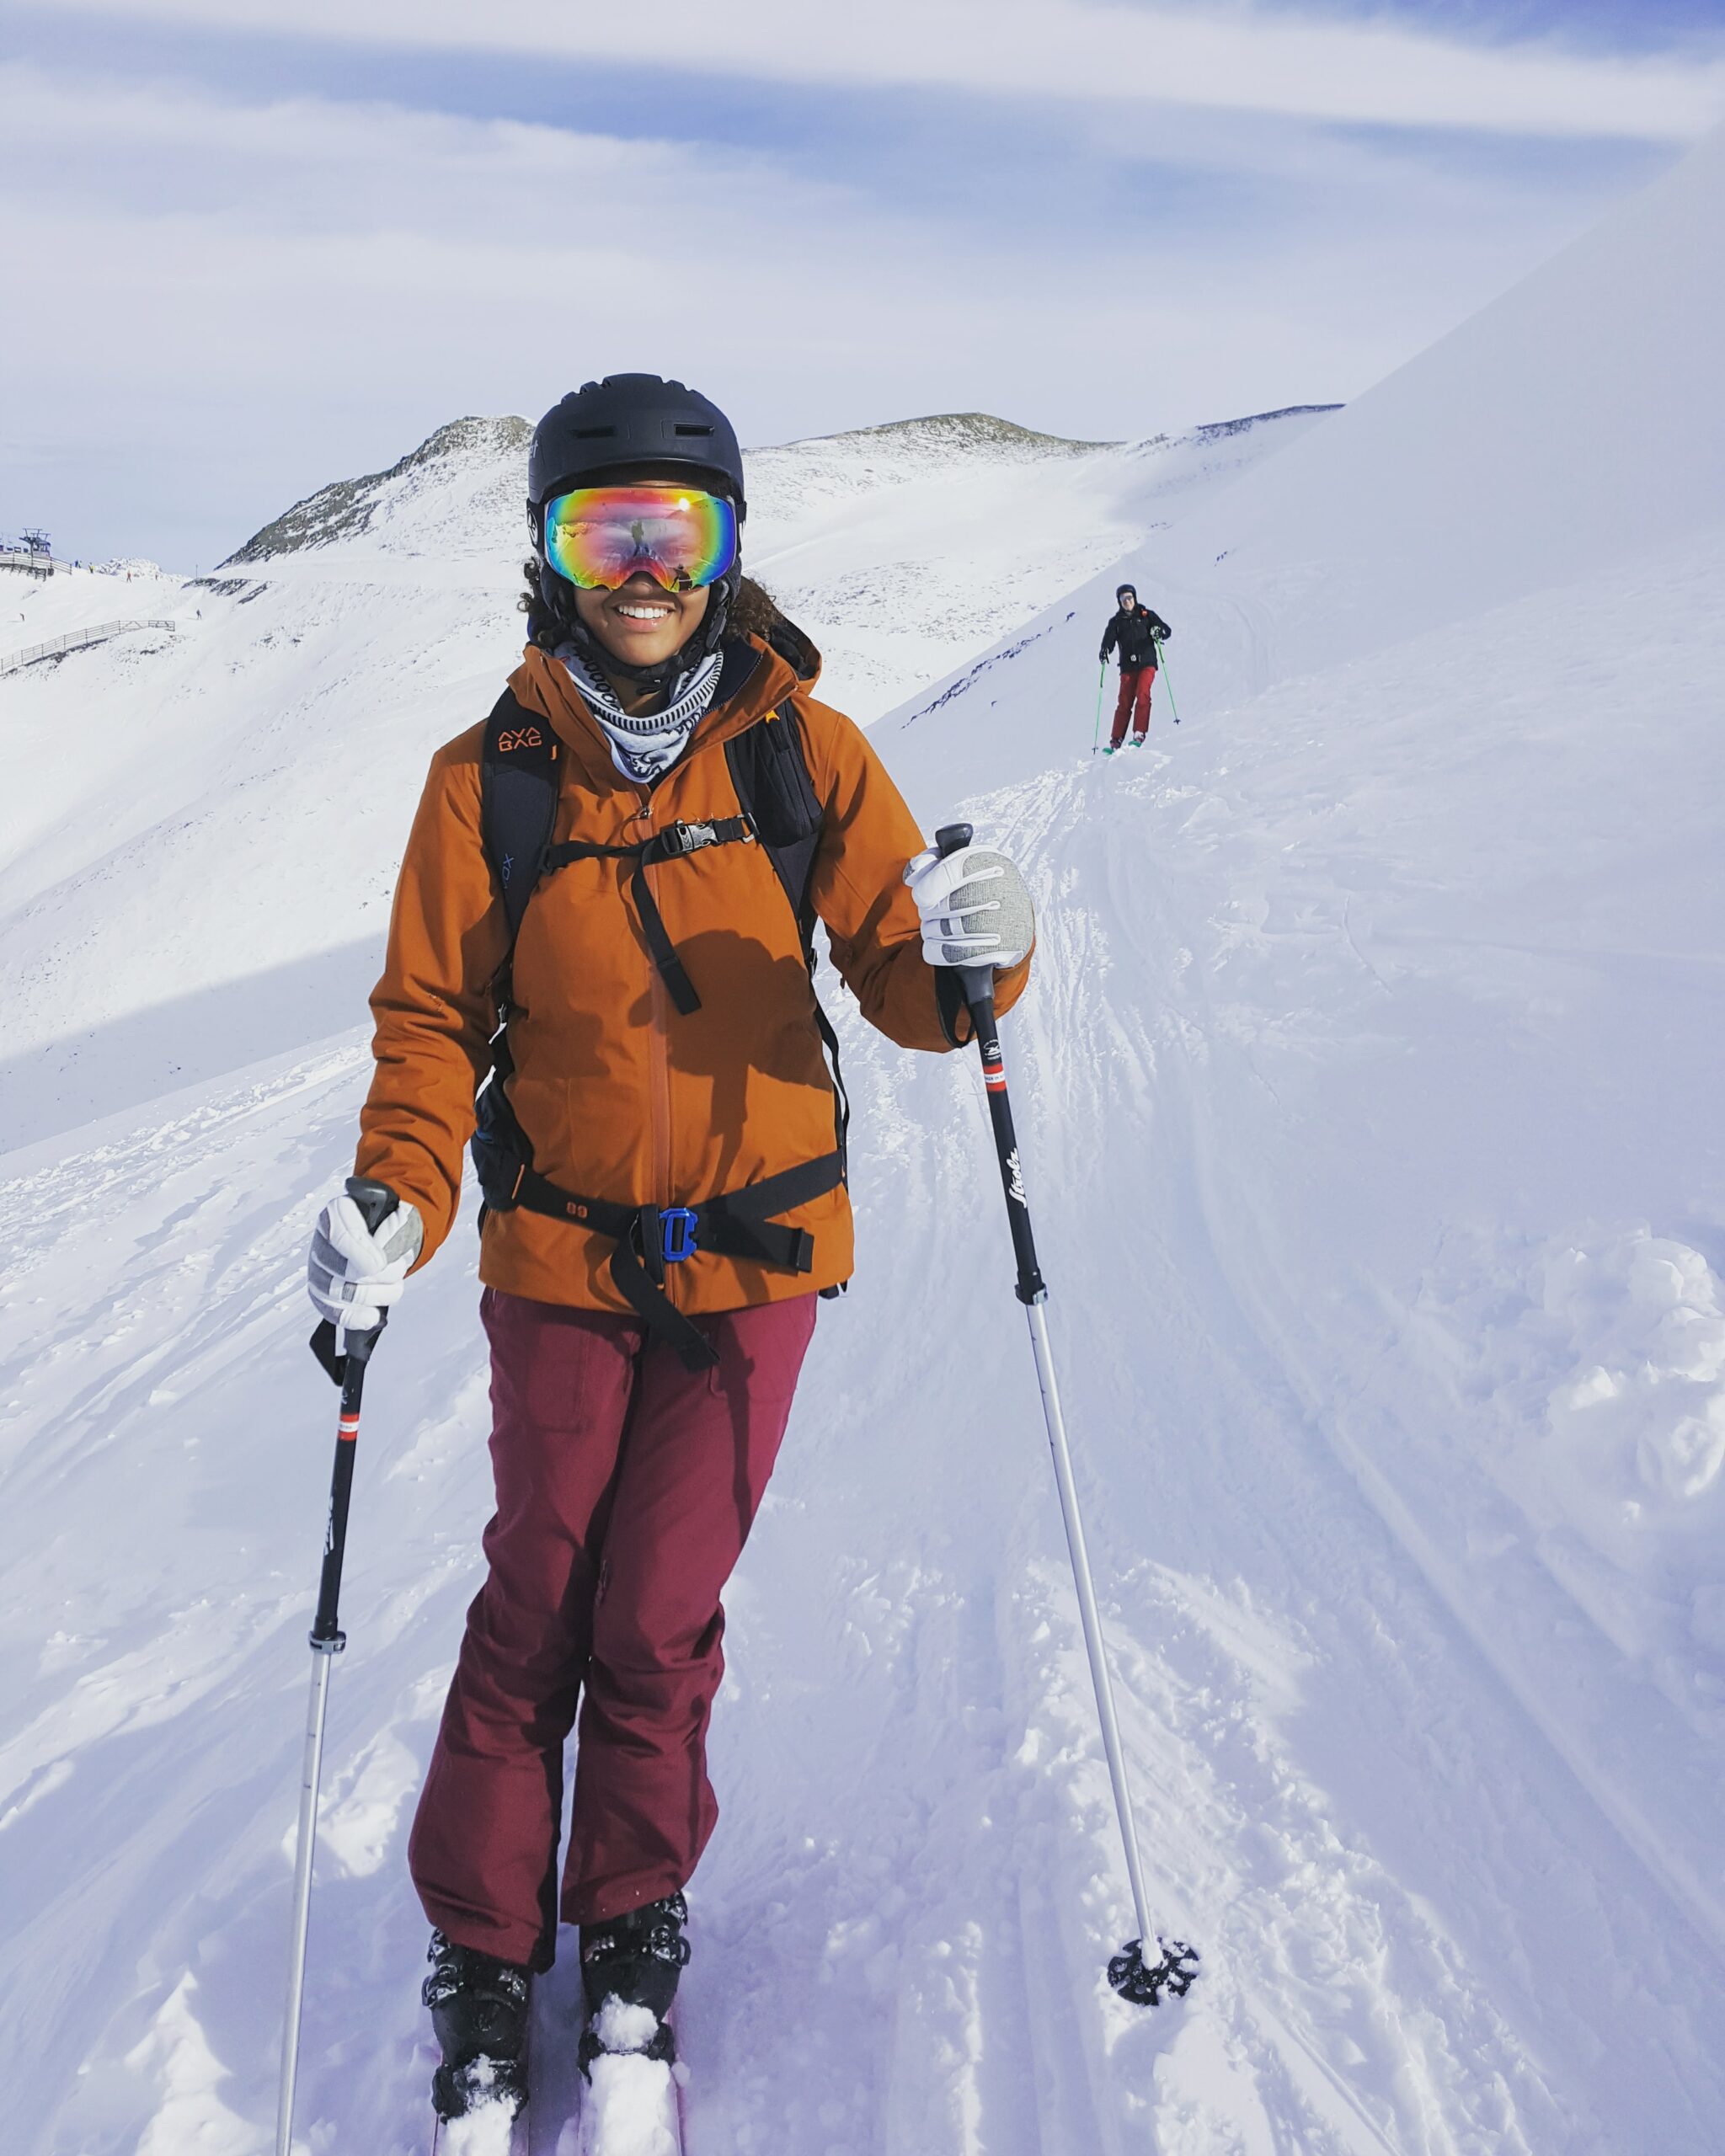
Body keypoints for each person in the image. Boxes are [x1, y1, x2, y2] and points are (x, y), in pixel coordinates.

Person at [303, 374, 1036, 2123]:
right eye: (602, 531)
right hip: (559, 1263)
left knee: (656, 1614)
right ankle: (486, 1945)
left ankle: (627, 1918)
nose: (641, 568)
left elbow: (904, 978)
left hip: (755, 1268)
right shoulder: (483, 780)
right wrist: (398, 1190)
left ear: (722, 554)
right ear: (551, 557)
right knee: (536, 1601)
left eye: (673, 532)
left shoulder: (806, 750)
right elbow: (427, 1019)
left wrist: (975, 953)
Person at [1098, 583, 1172, 751]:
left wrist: (1158, 631)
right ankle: (1115, 740)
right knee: (1124, 701)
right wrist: (1105, 650)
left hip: (1147, 663)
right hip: (1127, 666)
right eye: (1123, 598)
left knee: (1143, 693)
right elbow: (1108, 640)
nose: (1127, 601)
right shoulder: (1116, 622)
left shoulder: (1146, 615)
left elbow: (1166, 631)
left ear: (1135, 598)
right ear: (1119, 601)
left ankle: (1139, 733)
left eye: (1129, 597)